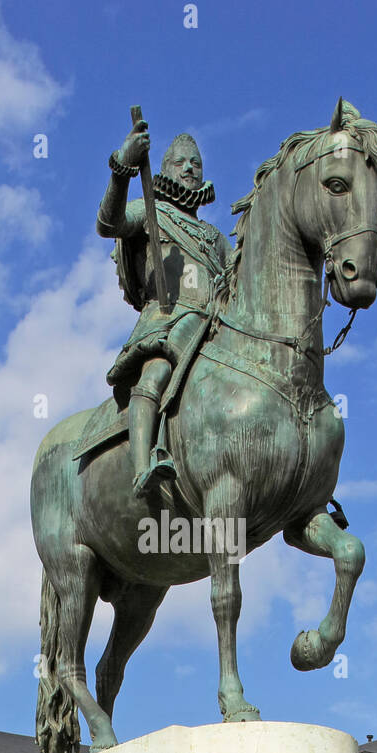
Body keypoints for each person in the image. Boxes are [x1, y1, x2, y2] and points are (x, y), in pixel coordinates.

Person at [97, 119, 230, 493]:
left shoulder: (215, 237)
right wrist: (122, 169)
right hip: (169, 320)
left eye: (196, 163)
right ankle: (143, 466)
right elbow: (109, 223)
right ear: (165, 168)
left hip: (214, 327)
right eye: (181, 163)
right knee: (156, 373)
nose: (190, 168)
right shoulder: (151, 212)